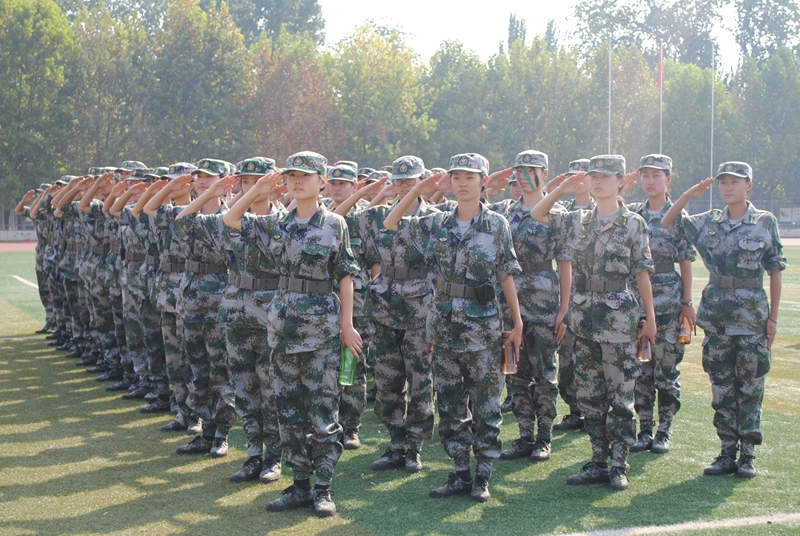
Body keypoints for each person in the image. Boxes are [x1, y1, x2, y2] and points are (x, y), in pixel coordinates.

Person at [223, 151, 362, 518]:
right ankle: (300, 485)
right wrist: (258, 189)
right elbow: (231, 219)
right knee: (288, 412)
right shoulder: (277, 223)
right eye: (291, 176)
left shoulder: (334, 224)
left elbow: (346, 275)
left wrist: (347, 325)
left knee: (323, 411)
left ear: (322, 181)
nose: (297, 181)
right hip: (282, 329)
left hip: (322, 329)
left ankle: (323, 487)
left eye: (306, 175)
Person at [383, 153, 523, 503]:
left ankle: (483, 475)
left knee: (487, 405)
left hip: (483, 327)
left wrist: (517, 322)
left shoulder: (496, 225)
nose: (462, 183)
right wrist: (417, 189)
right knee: (450, 405)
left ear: (483, 182)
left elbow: (506, 273)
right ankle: (461, 472)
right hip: (444, 327)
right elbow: (391, 221)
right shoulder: (437, 223)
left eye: (469, 177)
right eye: (456, 177)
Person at [530, 155, 656, 491]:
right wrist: (561, 189)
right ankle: (599, 459)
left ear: (621, 182)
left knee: (620, 396)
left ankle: (619, 464)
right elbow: (538, 213)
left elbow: (642, 273)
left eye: (606, 176)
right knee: (590, 395)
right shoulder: (578, 220)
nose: (598, 181)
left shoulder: (633, 223)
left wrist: (650, 319)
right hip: (584, 318)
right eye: (594, 176)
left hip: (618, 319)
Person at [661, 161, 786, 479]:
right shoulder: (709, 221)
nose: (728, 187)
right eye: (723, 182)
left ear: (749, 186)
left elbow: (775, 270)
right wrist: (688, 195)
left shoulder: (764, 222)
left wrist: (773, 318)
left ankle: (748, 455)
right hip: (717, 318)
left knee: (751, 385)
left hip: (752, 318)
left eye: (735, 182)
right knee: (721, 387)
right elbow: (666, 221)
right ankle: (727, 451)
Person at [177, 157, 284, 483]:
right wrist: (212, 193)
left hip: (270, 315)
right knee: (245, 390)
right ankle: (254, 455)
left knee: (271, 390)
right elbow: (183, 224)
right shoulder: (228, 220)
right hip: (237, 314)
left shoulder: (286, 221)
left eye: (259, 181)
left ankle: (274, 457)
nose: (253, 186)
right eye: (246, 181)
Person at [352, 156, 438, 474]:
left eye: (410, 180)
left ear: (421, 181)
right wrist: (374, 194)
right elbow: (343, 220)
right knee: (387, 380)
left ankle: (414, 447)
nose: (403, 186)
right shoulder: (374, 216)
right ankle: (396, 443)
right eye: (398, 180)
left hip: (420, 308)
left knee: (420, 381)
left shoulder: (435, 219)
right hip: (383, 307)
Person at [495, 150, 569, 463]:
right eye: (520, 171)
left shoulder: (558, 213)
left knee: (545, 374)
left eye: (531, 170)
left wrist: (564, 308)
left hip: (543, 303)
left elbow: (565, 262)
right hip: (510, 304)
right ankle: (525, 435)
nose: (524, 176)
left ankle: (544, 437)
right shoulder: (505, 212)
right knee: (515, 374)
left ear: (545, 173)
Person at [625, 155, 695, 455]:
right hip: (638, 303)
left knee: (666, 371)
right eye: (646, 175)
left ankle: (664, 430)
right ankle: (644, 430)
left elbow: (686, 261)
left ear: (668, 178)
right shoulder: (634, 214)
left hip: (668, 301)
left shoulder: (677, 216)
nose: (650, 181)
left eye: (657, 175)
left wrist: (687, 303)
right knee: (641, 371)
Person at [553, 158, 594, 431]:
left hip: (596, 295)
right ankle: (575, 410)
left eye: (583, 175)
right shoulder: (562, 213)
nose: (578, 181)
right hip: (569, 293)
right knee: (567, 357)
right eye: (572, 176)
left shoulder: (603, 210)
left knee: (593, 358)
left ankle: (595, 412)